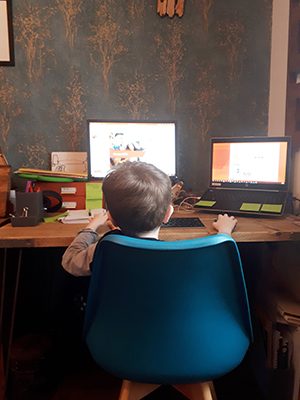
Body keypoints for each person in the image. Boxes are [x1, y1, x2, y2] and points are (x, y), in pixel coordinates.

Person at [61, 161, 237, 276]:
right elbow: (223, 251)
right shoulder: (195, 253)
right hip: (175, 330)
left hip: (117, 330)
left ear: (111, 218)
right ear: (168, 213)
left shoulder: (105, 249)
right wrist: (225, 231)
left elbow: (70, 261)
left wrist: (90, 228)